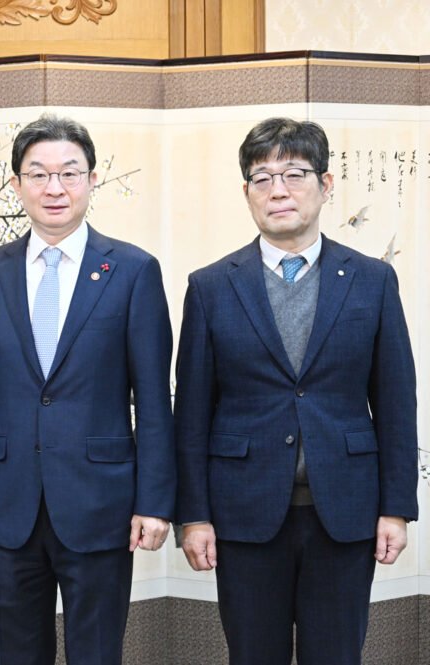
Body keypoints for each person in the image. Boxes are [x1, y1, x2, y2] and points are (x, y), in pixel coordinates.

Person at [174, 117, 418, 664]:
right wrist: (194, 516)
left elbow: (397, 402)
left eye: (294, 174)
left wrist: (396, 509)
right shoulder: (211, 287)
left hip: (346, 513)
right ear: (246, 193)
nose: (278, 190)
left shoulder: (372, 281)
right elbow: (190, 416)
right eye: (261, 178)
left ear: (326, 185)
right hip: (243, 516)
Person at [0, 114, 176, 665]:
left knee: (97, 653)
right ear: (16, 184)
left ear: (92, 180)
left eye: (70, 173)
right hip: (8, 504)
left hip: (101, 502)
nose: (55, 188)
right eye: (39, 174)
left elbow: (152, 401)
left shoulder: (132, 270)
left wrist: (154, 502)